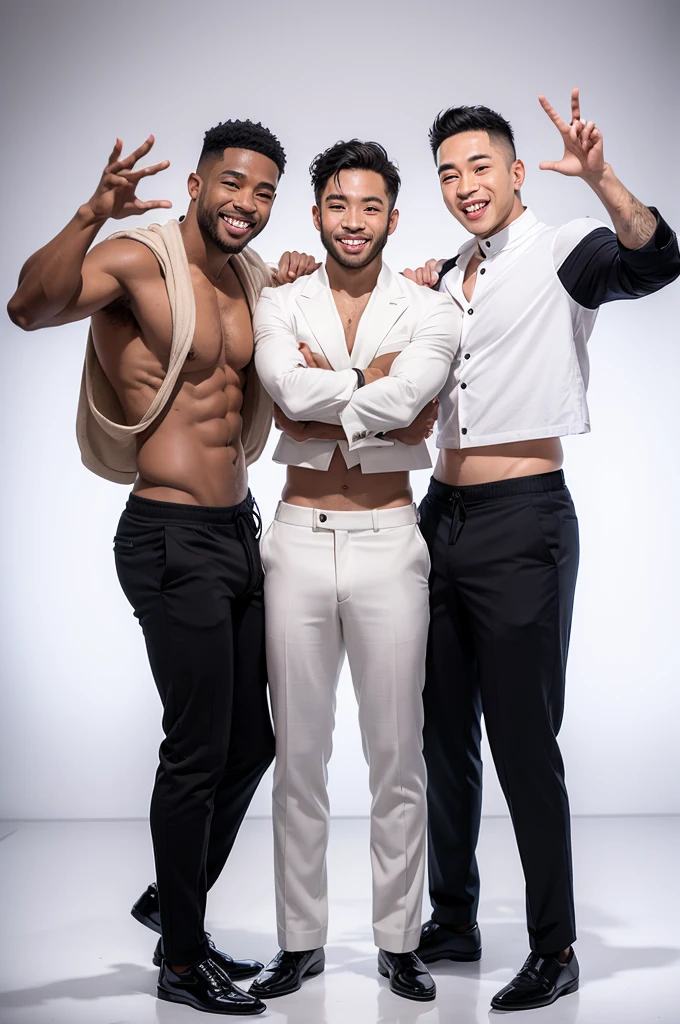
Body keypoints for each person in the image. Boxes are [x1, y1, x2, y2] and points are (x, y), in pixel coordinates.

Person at [7, 119, 318, 1017]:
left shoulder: (245, 280)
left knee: (252, 742)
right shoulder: (135, 262)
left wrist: (292, 279)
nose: (247, 205)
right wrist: (90, 213)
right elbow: (28, 307)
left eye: (263, 193)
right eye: (234, 185)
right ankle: (182, 963)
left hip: (238, 532)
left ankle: (168, 903)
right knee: (195, 752)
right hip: (168, 536)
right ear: (196, 181)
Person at [402, 89, 680, 1012]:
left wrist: (603, 181)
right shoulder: (449, 271)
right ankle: (452, 917)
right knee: (443, 734)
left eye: (480, 166)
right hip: (437, 517)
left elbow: (656, 259)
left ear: (517, 173)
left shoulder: (563, 250)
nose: (465, 184)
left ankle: (555, 948)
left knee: (524, 740)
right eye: (449, 172)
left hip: (524, 522)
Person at [248, 140, 461, 1003]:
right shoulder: (279, 296)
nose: (353, 222)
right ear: (318, 212)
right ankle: (298, 942)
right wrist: (363, 385)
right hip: (297, 536)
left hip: (388, 536)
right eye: (339, 205)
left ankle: (397, 941)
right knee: (299, 757)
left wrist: (333, 383)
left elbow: (409, 398)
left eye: (370, 207)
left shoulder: (430, 305)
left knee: (395, 756)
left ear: (393, 218)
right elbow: (282, 392)